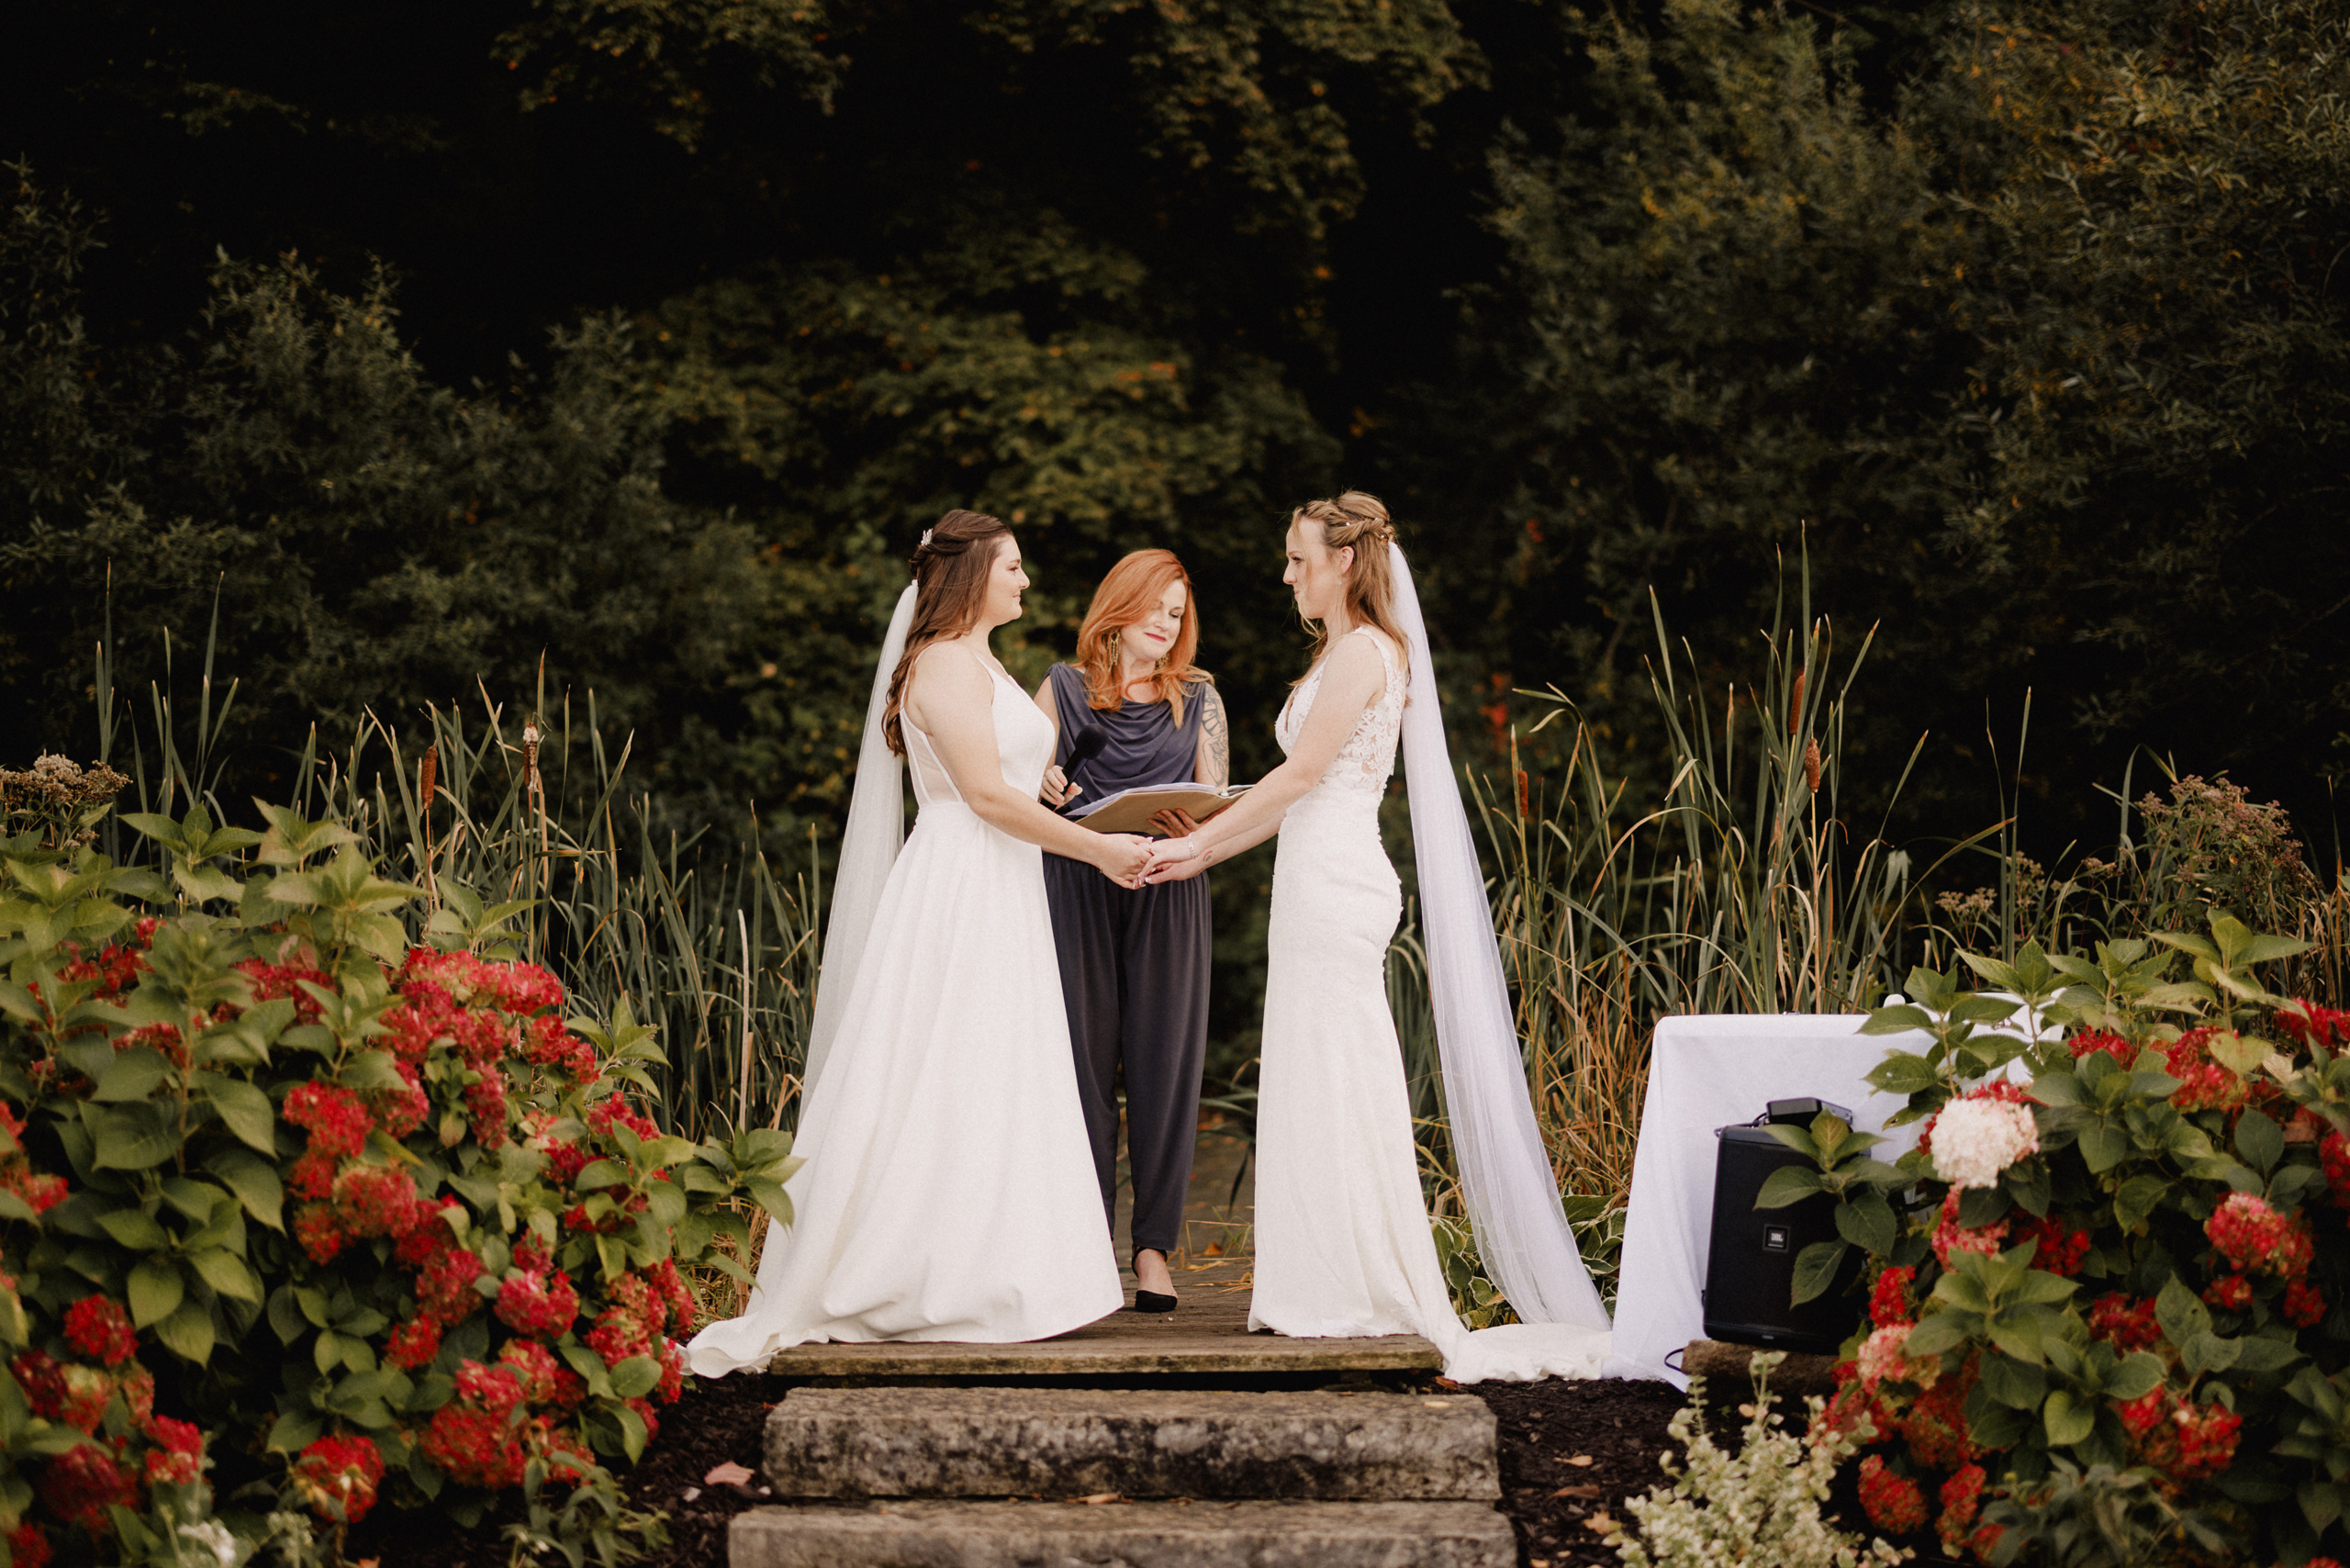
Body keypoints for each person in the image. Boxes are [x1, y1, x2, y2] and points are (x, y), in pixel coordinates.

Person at [1142, 492, 1612, 1383]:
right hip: (1312, 873)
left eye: (1297, 558)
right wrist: (1198, 855)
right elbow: (1288, 798)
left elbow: (1305, 774)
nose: (1286, 574)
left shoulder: (1363, 651)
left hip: (1335, 883)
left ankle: (1345, 1287)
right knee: (1315, 1067)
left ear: (1343, 562)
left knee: (1337, 1067)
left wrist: (1201, 840)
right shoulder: (1342, 652)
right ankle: (1319, 1280)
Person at [687, 510, 1151, 1375]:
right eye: (1012, 566)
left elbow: (997, 772)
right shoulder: (939, 662)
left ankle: (997, 1268)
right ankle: (920, 1272)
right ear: (973, 573)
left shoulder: (980, 662)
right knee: (946, 1065)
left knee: (993, 1070)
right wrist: (1099, 849)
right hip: (963, 883)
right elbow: (977, 793)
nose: (1024, 580)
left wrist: (1040, 781)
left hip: (1002, 880)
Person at [1032, 549, 1227, 1313]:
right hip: (1078, 883)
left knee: (1165, 1065)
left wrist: (1197, 827)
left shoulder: (1200, 696)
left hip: (1169, 888)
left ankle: (1153, 1251)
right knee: (1078, 1064)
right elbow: (1015, 788)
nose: (1166, 623)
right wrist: (1038, 782)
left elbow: (1217, 796)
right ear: (1119, 604)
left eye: (1177, 613)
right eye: (1155, 606)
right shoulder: (1057, 687)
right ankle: (1080, 1248)